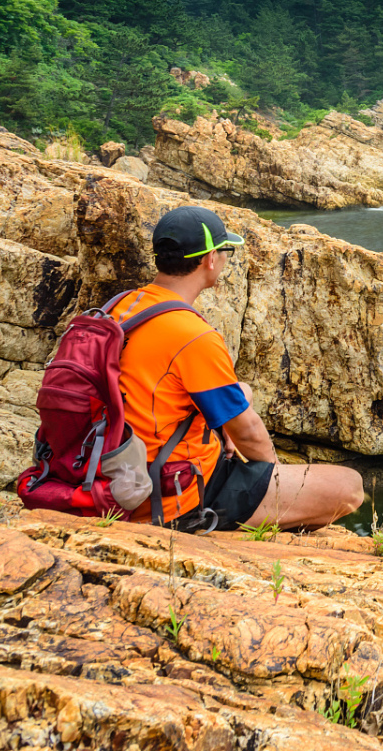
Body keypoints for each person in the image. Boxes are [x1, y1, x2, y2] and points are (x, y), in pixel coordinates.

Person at [114, 205, 364, 532]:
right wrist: (268, 478)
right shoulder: (192, 335)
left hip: (114, 473)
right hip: (170, 495)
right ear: (210, 259)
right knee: (349, 487)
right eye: (225, 251)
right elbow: (247, 432)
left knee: (241, 391)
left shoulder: (120, 308)